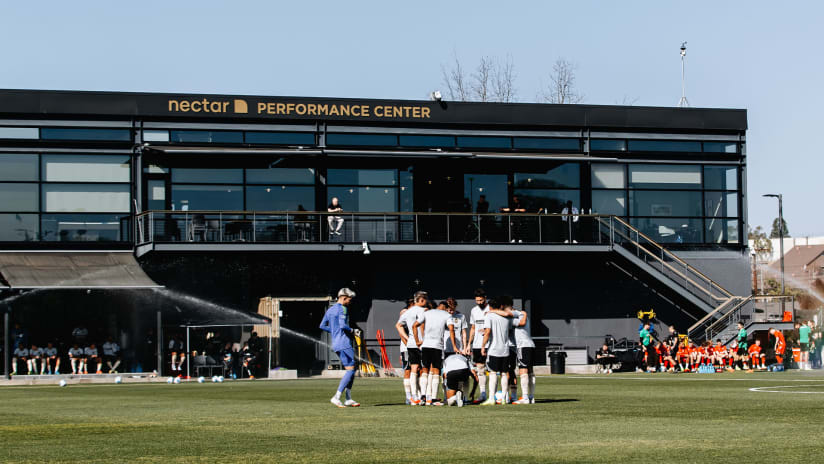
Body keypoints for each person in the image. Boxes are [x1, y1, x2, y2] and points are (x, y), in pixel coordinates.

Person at [320, 288, 359, 408]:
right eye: (349, 300)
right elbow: (342, 325)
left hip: (336, 344)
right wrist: (353, 330)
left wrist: (334, 330)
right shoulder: (343, 308)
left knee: (351, 368)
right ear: (344, 297)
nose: (350, 302)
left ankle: (348, 398)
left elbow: (322, 326)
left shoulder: (330, 310)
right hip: (344, 343)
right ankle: (337, 397)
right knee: (351, 369)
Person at [412, 297, 451, 406]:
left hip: (426, 345)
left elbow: (414, 325)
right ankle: (433, 399)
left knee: (425, 370)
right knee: (436, 371)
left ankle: (423, 397)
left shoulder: (426, 313)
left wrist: (417, 341)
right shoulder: (445, 315)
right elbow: (451, 329)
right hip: (437, 346)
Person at [480, 297, 513, 405]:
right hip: (505, 349)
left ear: (490, 307)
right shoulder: (506, 317)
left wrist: (483, 346)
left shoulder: (489, 316)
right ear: (501, 306)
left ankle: (491, 398)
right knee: (504, 374)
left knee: (493, 373)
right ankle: (504, 398)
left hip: (494, 349)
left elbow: (487, 332)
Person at [397, 292, 428, 405]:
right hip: (422, 344)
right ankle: (423, 396)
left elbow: (398, 325)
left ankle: (415, 396)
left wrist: (407, 338)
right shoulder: (424, 311)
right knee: (423, 369)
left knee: (414, 369)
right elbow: (423, 327)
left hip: (411, 344)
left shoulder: (408, 312)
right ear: (422, 300)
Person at [466, 289, 490, 403]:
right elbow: (473, 328)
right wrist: (468, 344)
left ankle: (494, 394)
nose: (479, 302)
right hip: (477, 345)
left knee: (493, 370)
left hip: (490, 344)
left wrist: (488, 331)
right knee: (480, 369)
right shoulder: (474, 310)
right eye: (477, 300)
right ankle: (483, 394)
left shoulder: (491, 309)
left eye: (481, 300)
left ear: (485, 298)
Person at [510, 305, 536, 404]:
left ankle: (525, 397)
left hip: (522, 346)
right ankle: (531, 397)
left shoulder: (514, 317)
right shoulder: (521, 314)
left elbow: (521, 322)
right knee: (530, 371)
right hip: (530, 345)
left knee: (523, 370)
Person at [396, 299, 414, 404]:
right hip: (406, 348)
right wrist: (407, 344)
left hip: (416, 347)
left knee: (417, 370)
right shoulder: (404, 313)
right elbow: (400, 331)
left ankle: (417, 394)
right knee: (408, 370)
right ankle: (408, 396)